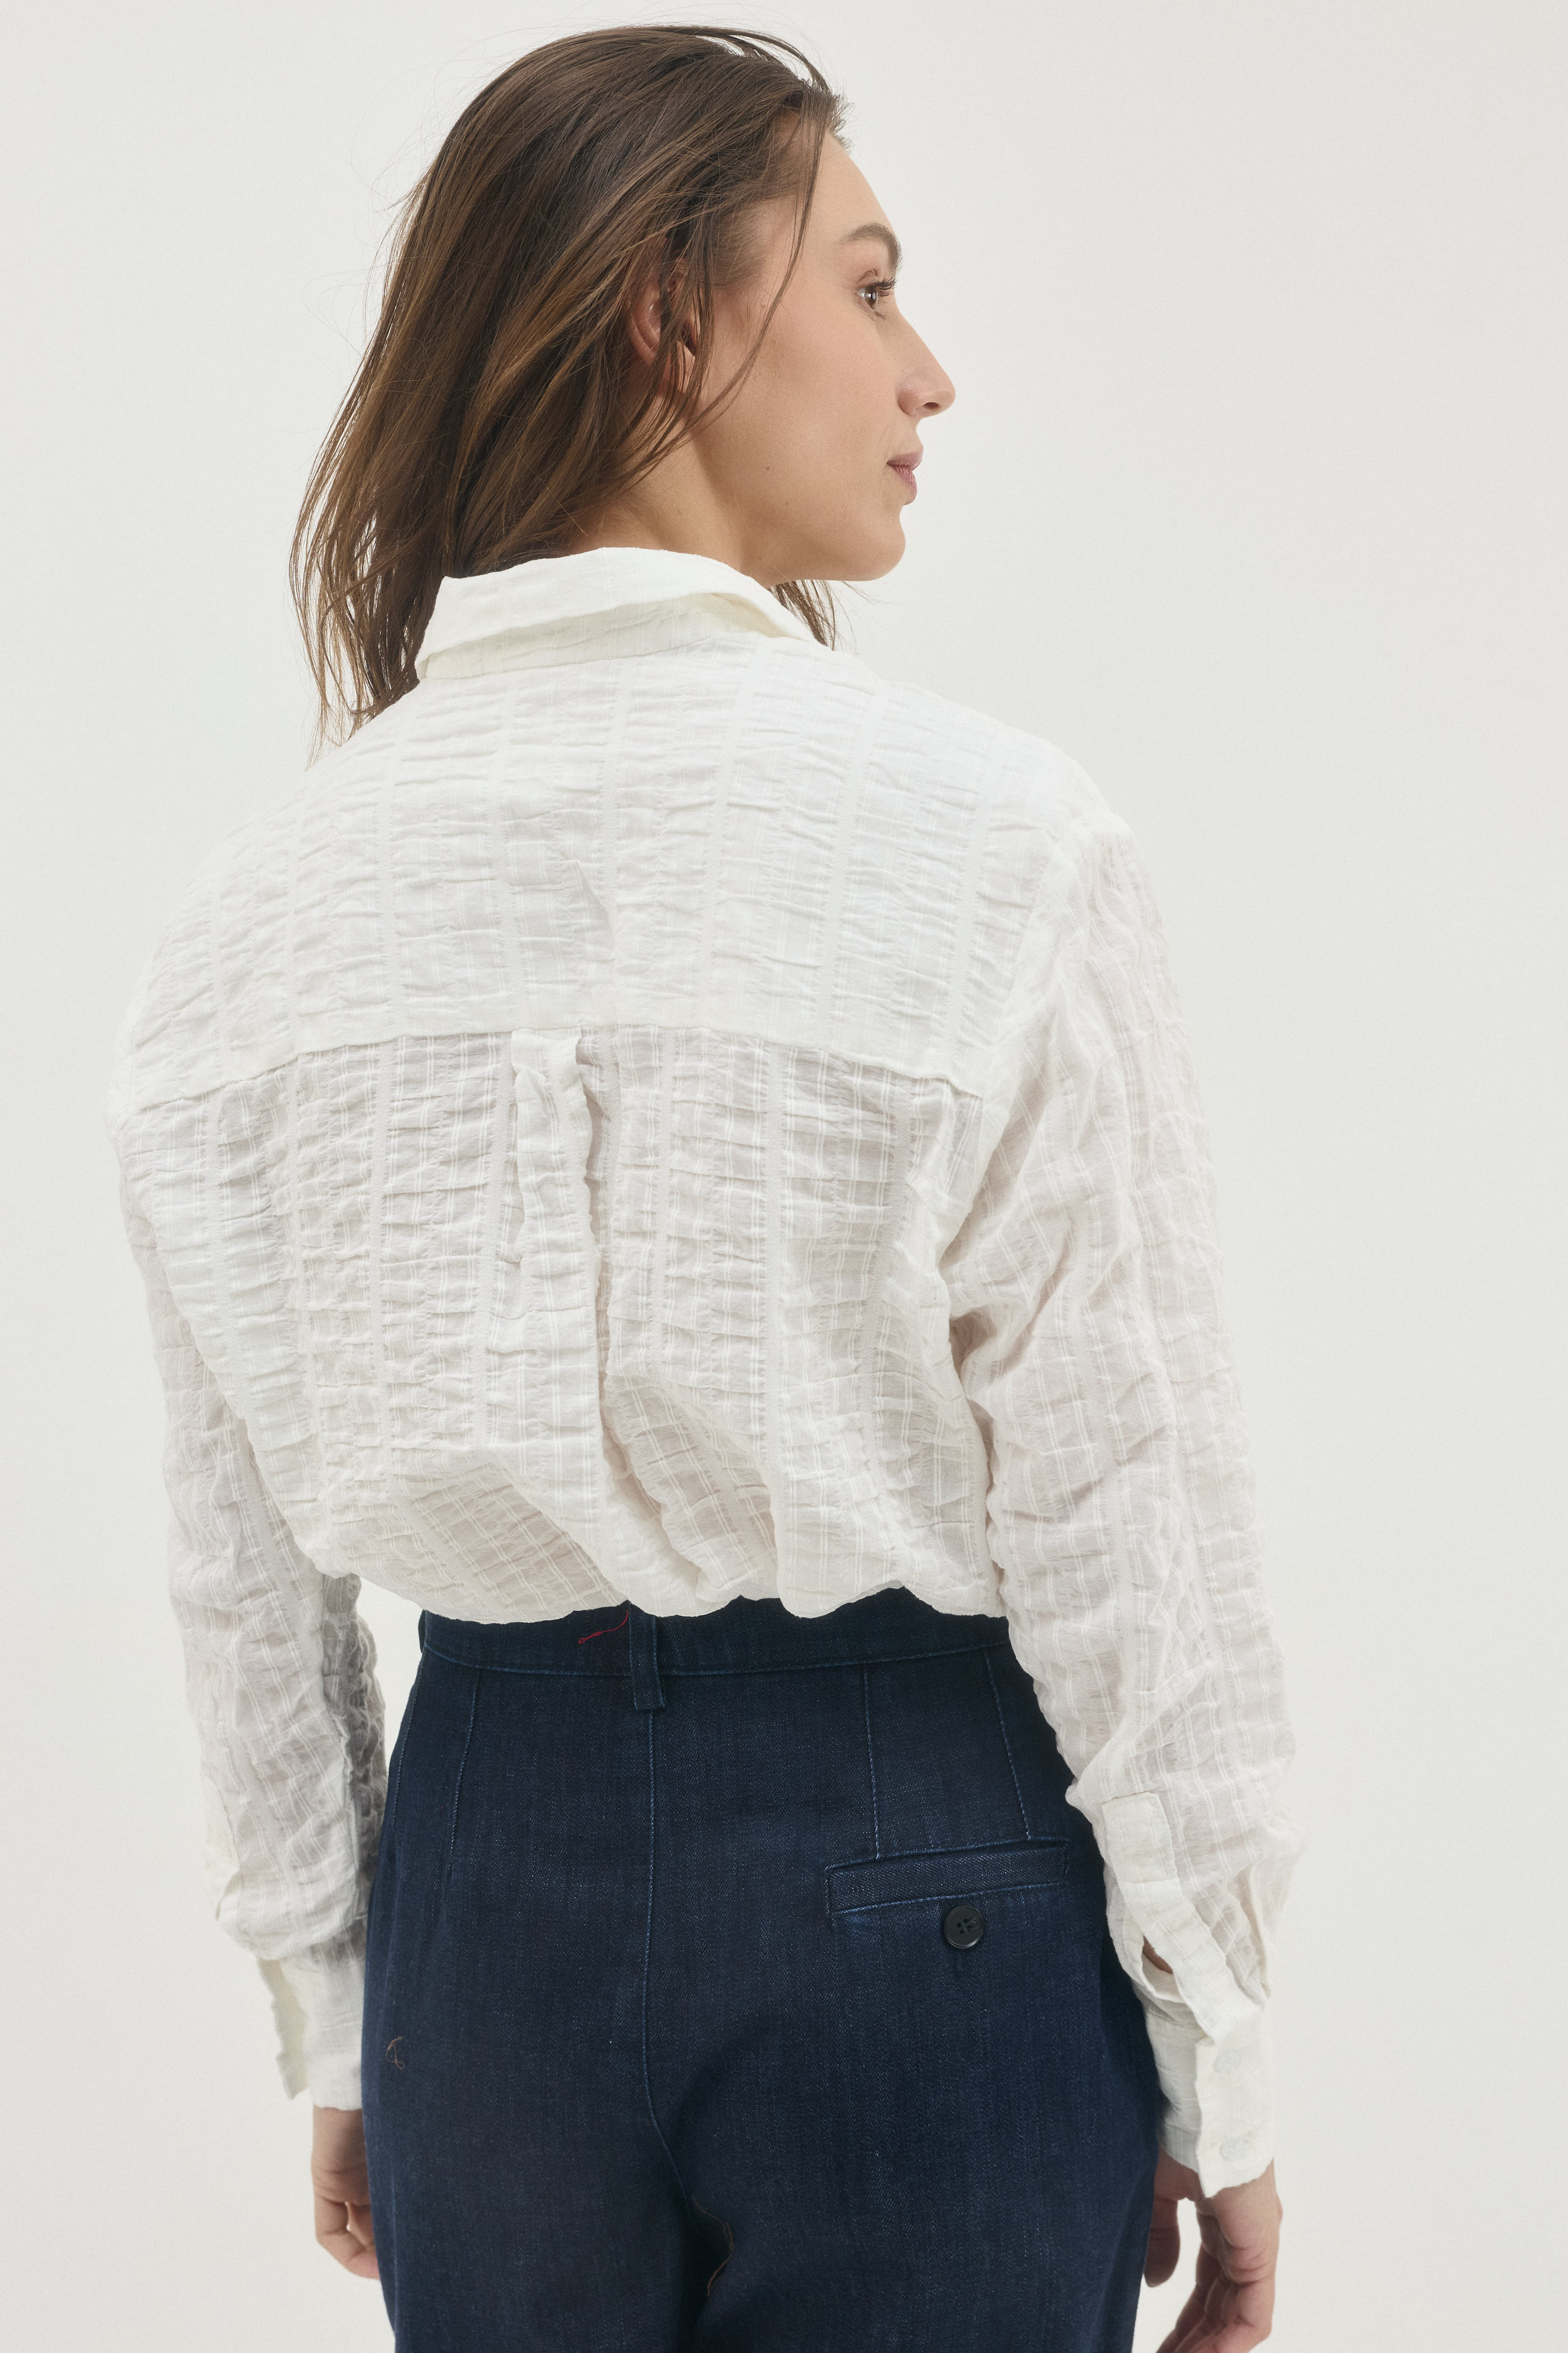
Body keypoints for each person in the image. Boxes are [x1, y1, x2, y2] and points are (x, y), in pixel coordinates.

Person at [109, 26, 1300, 2353]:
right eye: (867, 281)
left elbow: (239, 1568)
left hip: (486, 1917)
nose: (928, 369)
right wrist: (1220, 2040)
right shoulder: (995, 848)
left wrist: (340, 2008)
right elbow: (1126, 1501)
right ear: (670, 316)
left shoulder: (246, 927)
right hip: (922, 1874)